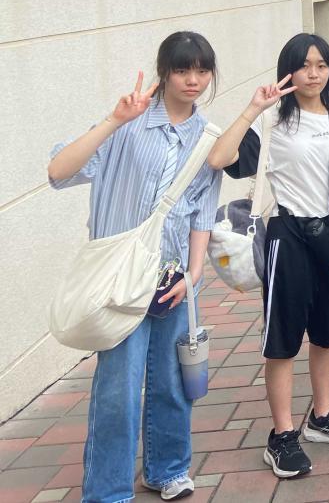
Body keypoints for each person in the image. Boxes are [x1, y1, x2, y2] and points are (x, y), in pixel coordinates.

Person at [48, 33, 223, 503]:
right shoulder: (128, 125)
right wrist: (113, 120)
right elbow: (58, 172)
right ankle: (108, 492)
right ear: (163, 72)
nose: (193, 80)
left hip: (172, 279)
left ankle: (168, 469)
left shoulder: (207, 136)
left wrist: (193, 276)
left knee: (172, 381)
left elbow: (202, 211)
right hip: (120, 281)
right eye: (182, 70)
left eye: (202, 70)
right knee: (119, 389)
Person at [207, 34, 329, 479]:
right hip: (290, 236)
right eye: (304, 65)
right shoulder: (272, 122)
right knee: (283, 340)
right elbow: (219, 158)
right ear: (288, 70)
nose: (313, 73)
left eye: (321, 65)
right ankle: (282, 436)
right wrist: (252, 109)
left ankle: (321, 417)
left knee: (327, 333)